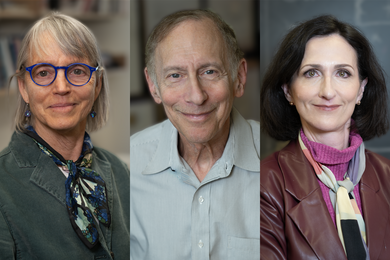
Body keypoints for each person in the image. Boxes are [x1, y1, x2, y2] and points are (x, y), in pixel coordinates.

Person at [130, 9, 259, 259]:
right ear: (154, 86)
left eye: (209, 71)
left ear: (239, 78)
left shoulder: (278, 163)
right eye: (175, 75)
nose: (196, 96)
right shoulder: (127, 169)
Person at [260, 15, 390, 259]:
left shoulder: (388, 176)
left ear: (361, 88)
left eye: (343, 73)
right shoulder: (264, 185)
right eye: (311, 73)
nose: (328, 91)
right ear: (288, 90)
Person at [0, 13, 129, 259]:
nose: (61, 87)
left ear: (97, 85)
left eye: (78, 70)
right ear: (24, 88)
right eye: (43, 73)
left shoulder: (119, 171)